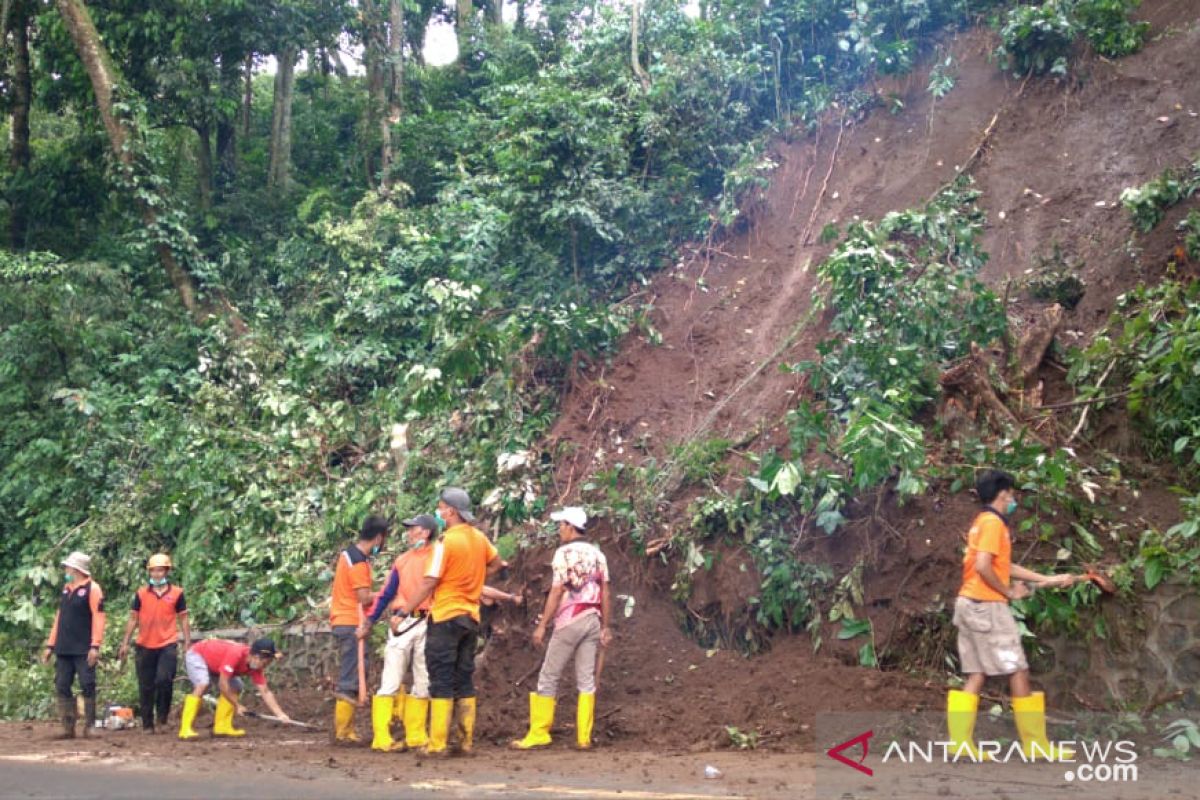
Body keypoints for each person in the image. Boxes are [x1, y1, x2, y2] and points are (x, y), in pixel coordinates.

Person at [948, 469, 1076, 761]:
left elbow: (1003, 566)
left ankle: (961, 744)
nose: (1014, 499)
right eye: (1012, 493)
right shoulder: (995, 523)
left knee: (976, 673)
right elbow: (984, 566)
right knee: (1017, 668)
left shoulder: (982, 522)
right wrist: (1008, 593)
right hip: (988, 606)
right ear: (1003, 493)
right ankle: (1035, 744)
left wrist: (1048, 579)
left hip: (969, 603)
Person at [391, 488, 503, 756]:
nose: (438, 513)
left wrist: (404, 611)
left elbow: (430, 580)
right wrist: (475, 578)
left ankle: (438, 743)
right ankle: (465, 742)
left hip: (445, 615)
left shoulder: (445, 541)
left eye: (440, 508)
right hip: (470, 617)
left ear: (451, 511)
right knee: (463, 677)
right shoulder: (479, 538)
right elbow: (497, 563)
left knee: (440, 676)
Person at [512, 507, 611, 750]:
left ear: (570, 526)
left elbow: (557, 591)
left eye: (561, 525)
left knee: (549, 675)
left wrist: (543, 625)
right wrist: (606, 626)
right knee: (586, 679)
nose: (559, 530)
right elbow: (606, 592)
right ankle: (584, 738)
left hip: (570, 619)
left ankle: (539, 733)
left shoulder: (563, 554)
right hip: (592, 619)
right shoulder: (598, 555)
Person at [358, 513, 437, 752]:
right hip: (403, 621)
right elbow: (386, 592)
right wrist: (371, 619)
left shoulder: (436, 557)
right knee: (392, 678)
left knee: (423, 678)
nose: (409, 533)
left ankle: (415, 734)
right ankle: (382, 737)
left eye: (413, 529)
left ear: (425, 532)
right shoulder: (403, 560)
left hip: (425, 620)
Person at [329, 515, 389, 743]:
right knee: (350, 675)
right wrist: (386, 594)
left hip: (343, 620)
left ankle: (346, 729)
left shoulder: (347, 555)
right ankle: (343, 732)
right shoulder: (359, 562)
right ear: (378, 538)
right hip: (351, 622)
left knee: (353, 672)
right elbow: (364, 598)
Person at [118, 553, 190, 733]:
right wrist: (125, 642)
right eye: (154, 571)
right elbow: (133, 619)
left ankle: (162, 719)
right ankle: (148, 724)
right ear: (149, 573)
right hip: (144, 644)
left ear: (166, 571)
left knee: (164, 680)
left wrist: (187, 642)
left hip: (168, 643)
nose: (157, 574)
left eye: (160, 570)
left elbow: (184, 619)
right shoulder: (141, 594)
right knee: (146, 685)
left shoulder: (177, 593)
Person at [40, 551, 106, 740]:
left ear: (77, 569)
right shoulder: (66, 589)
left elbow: (99, 618)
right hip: (64, 646)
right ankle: (67, 726)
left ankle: (90, 726)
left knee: (87, 683)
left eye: (68, 567)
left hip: (83, 646)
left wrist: (95, 645)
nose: (66, 570)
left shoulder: (93, 589)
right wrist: (50, 645)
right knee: (62, 684)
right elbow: (59, 618)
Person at [177, 638, 290, 739]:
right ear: (256, 657)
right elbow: (223, 684)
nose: (267, 665)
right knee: (202, 684)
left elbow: (265, 691)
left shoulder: (256, 667)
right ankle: (185, 729)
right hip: (198, 655)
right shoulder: (236, 654)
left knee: (236, 685)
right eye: (266, 662)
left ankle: (222, 727)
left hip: (216, 665)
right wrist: (237, 705)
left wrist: (280, 714)